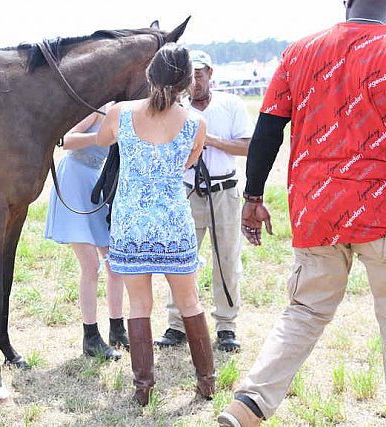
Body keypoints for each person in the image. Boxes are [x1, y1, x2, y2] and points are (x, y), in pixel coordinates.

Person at [219, 1, 386, 425]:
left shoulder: (299, 52)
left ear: (346, 4)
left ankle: (250, 404)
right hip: (379, 207)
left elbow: (268, 129)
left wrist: (253, 196)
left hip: (317, 208)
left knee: (305, 311)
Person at [97, 43, 214, 406]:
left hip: (131, 222)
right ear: (187, 81)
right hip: (173, 223)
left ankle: (143, 387)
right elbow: (188, 163)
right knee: (190, 301)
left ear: (151, 74)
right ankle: (206, 382)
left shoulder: (120, 113)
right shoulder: (195, 122)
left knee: (138, 306)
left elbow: (103, 141)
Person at [155, 50, 252, 352]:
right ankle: (177, 323)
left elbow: (247, 146)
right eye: (190, 75)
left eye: (199, 74)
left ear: (210, 73)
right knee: (181, 260)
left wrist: (208, 140)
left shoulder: (231, 105)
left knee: (226, 260)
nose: (194, 81)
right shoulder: (177, 108)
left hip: (224, 191)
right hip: (187, 190)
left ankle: (226, 325)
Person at [44, 102, 127, 361]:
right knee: (91, 265)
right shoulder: (99, 107)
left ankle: (117, 328)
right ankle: (90, 336)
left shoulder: (126, 110)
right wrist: (101, 136)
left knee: (115, 263)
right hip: (76, 177)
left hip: (99, 181)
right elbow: (64, 140)